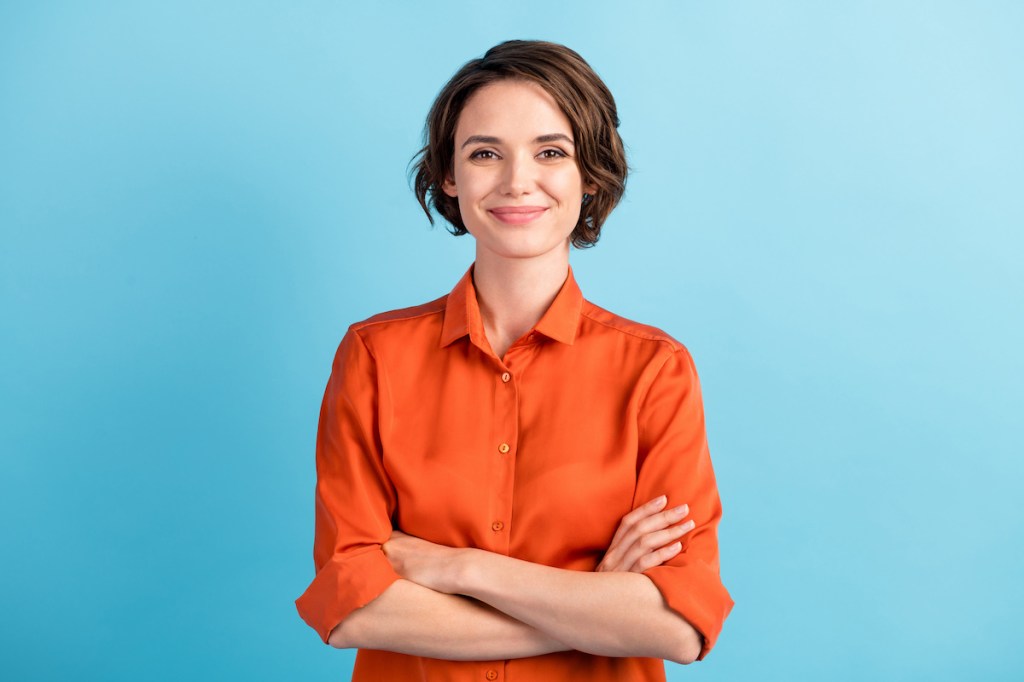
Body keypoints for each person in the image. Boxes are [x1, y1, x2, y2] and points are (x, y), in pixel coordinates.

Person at [295, 40, 733, 681]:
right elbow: (351, 607)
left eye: (550, 152)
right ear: (450, 175)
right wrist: (594, 605)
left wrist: (459, 568)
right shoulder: (373, 356)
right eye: (484, 153)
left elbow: (681, 625)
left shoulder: (654, 370)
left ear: (591, 173)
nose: (516, 180)